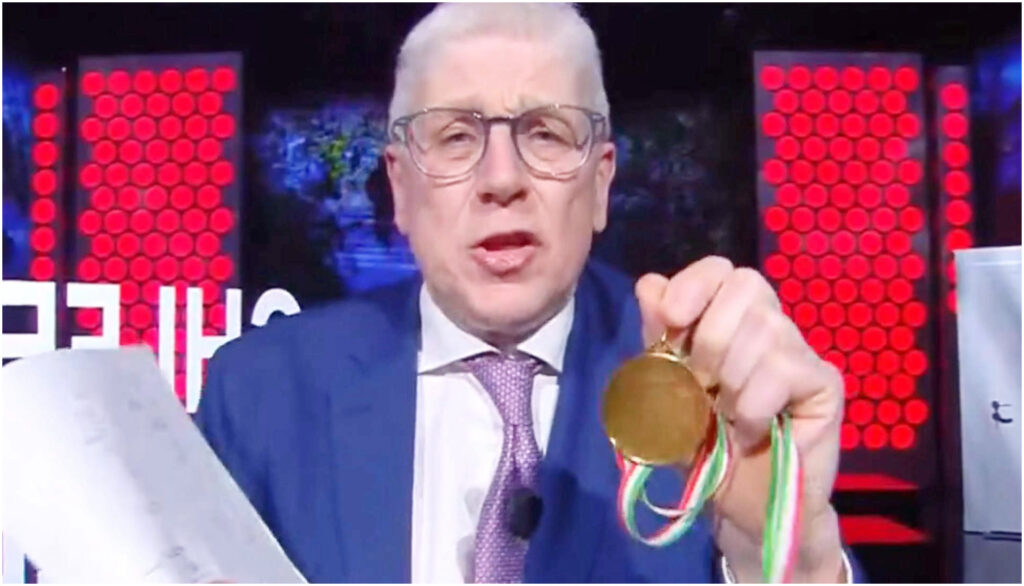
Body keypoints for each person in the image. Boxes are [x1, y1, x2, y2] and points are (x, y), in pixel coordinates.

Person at [196, 4, 856, 582]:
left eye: (545, 133)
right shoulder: (260, 393)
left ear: (600, 184)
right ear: (400, 189)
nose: (502, 179)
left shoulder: (715, 390)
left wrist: (787, 557)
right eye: (456, 137)